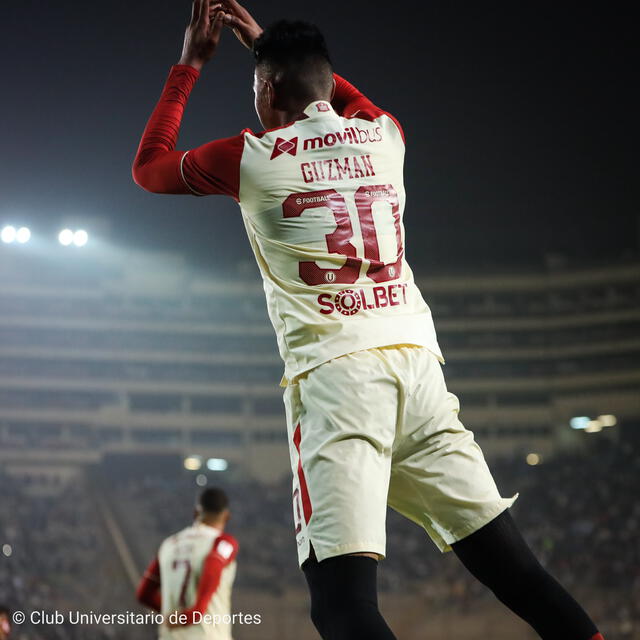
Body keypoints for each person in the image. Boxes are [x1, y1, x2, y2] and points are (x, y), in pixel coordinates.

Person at [132, 2, 605, 638]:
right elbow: (342, 96)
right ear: (325, 83)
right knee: (512, 569)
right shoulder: (386, 135)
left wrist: (189, 64)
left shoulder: (250, 157)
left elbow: (149, 166)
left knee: (343, 603)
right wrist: (270, 47)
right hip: (418, 369)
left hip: (338, 381)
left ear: (267, 89)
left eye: (257, 87)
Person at [137, 488, 238, 639]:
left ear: (196, 513)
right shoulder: (223, 542)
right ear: (226, 516)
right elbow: (212, 566)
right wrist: (192, 614)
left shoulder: (169, 544)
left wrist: (169, 615)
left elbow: (144, 594)